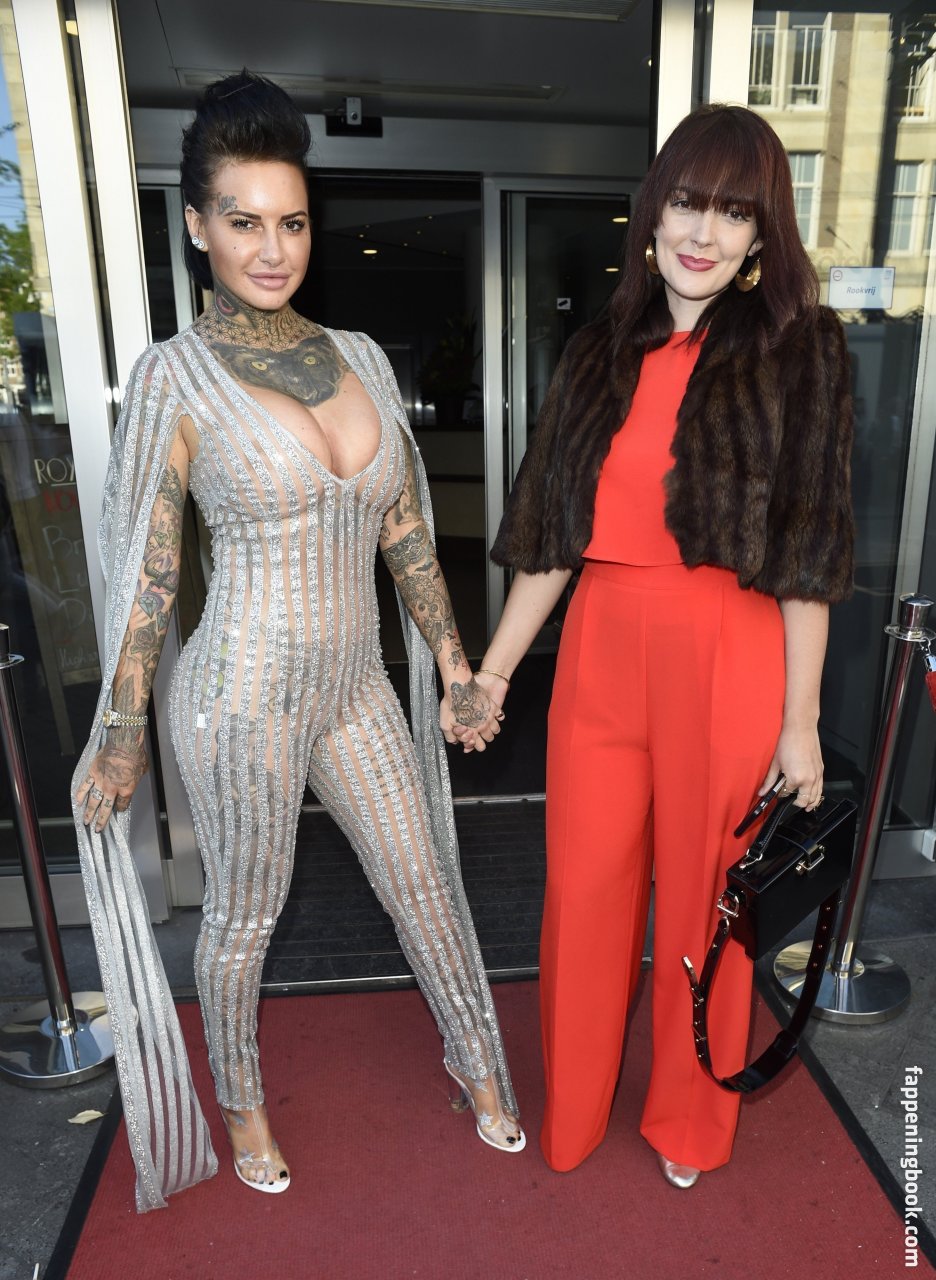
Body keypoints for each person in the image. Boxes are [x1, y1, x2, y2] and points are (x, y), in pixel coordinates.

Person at [72, 69, 523, 1212]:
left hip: (357, 682)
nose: (273, 249)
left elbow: (406, 529)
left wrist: (457, 667)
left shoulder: (362, 355)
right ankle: (241, 1100)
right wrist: (121, 732)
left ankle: (476, 1055)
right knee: (245, 913)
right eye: (244, 222)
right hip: (240, 693)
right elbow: (149, 574)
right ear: (197, 224)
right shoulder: (174, 378)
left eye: (293, 222)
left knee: (424, 880)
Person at [468, 104, 854, 1187]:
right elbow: (550, 538)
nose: (704, 231)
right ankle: (577, 1107)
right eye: (689, 202)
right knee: (583, 894)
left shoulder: (800, 351)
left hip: (729, 654)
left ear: (762, 235)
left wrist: (800, 723)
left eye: (735, 212)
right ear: (654, 212)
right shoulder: (598, 352)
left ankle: (689, 1119)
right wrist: (494, 672)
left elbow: (810, 554)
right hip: (600, 651)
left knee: (704, 902)